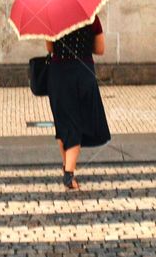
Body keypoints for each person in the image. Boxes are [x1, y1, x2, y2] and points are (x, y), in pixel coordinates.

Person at [45, 15, 111, 190]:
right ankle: (69, 174)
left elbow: (50, 48)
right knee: (77, 123)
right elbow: (100, 49)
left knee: (62, 123)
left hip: (58, 74)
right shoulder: (91, 18)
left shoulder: (52, 18)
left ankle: (67, 167)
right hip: (82, 73)